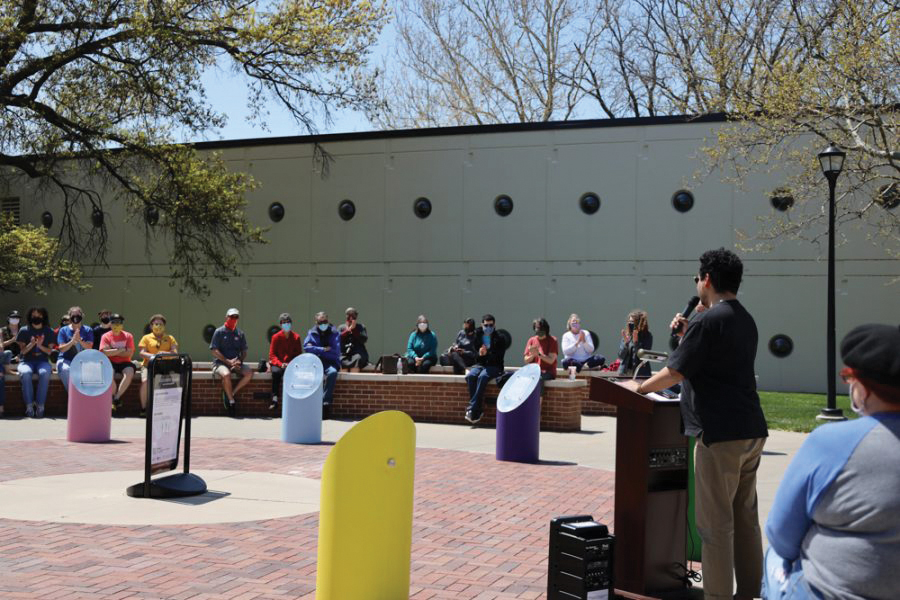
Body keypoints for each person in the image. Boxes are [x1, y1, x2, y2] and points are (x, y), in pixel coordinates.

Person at [622, 248, 768, 600]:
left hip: (719, 434)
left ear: (707, 279)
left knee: (715, 528)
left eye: (697, 279)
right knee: (745, 522)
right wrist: (691, 331)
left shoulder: (707, 321)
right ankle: (749, 593)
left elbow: (675, 371)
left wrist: (638, 387)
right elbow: (714, 359)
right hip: (751, 430)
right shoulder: (744, 319)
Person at [762, 323, 900, 600]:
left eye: (848, 378)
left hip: (831, 591)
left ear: (863, 385)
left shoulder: (833, 442)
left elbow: (782, 535)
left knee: (774, 555)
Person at [464, 314, 508, 424]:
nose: (488, 327)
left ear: (494, 325)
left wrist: (486, 353)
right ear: (482, 325)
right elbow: (474, 354)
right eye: (486, 325)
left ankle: (472, 408)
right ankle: (477, 410)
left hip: (495, 366)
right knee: (471, 376)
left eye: (491, 325)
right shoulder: (477, 335)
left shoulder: (500, 338)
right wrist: (480, 354)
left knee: (483, 377)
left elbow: (499, 356)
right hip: (480, 364)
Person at [210, 307, 253, 417]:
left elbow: (244, 351)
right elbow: (214, 351)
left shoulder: (240, 333)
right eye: (231, 316)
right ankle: (231, 402)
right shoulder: (219, 332)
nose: (233, 319)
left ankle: (231, 393)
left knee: (249, 373)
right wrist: (227, 361)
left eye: (236, 317)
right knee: (226, 374)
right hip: (220, 363)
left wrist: (239, 361)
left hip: (236, 363)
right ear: (226, 317)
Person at [15, 307, 55, 418]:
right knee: (26, 373)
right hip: (26, 361)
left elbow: (49, 351)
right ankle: (29, 406)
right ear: (30, 317)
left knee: (45, 373)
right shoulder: (24, 330)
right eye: (34, 315)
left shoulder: (49, 331)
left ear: (43, 317)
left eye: (39, 315)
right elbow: (22, 351)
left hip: (42, 361)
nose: (36, 317)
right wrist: (31, 344)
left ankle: (40, 405)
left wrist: (39, 346)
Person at [137, 314, 179, 417]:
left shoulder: (170, 338)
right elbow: (142, 353)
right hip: (149, 365)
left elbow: (175, 353)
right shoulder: (146, 338)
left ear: (164, 326)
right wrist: (154, 356)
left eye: (161, 324)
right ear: (151, 326)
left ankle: (166, 409)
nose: (158, 326)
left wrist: (164, 354)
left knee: (170, 382)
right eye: (156, 324)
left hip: (166, 366)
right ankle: (143, 408)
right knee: (145, 381)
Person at [303, 311, 340, 411]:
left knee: (333, 373)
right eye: (320, 322)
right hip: (315, 361)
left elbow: (335, 352)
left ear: (328, 321)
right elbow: (307, 347)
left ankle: (325, 401)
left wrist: (316, 349)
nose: (323, 324)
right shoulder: (312, 332)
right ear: (316, 322)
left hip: (330, 362)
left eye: (325, 321)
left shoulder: (334, 333)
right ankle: (309, 403)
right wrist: (323, 349)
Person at [99, 313, 136, 411]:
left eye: (119, 323)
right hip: (110, 362)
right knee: (108, 374)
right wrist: (121, 350)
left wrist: (113, 351)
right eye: (114, 322)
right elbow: (105, 353)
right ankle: (114, 399)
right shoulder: (105, 336)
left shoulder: (128, 336)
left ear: (122, 324)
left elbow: (129, 353)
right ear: (110, 324)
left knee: (129, 373)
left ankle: (116, 398)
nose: (116, 325)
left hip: (125, 362)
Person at [55, 306, 94, 394]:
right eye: (73, 314)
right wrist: (72, 341)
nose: (76, 316)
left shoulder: (88, 330)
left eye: (78, 314)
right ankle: (74, 396)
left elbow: (89, 347)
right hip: (65, 359)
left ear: (82, 315)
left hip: (82, 361)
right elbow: (62, 349)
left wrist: (80, 340)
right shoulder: (63, 330)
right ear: (69, 316)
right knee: (65, 370)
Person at [268, 312, 303, 410]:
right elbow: (272, 355)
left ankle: (293, 400)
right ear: (280, 324)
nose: (286, 324)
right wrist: (280, 364)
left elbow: (298, 354)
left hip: (291, 364)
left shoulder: (296, 337)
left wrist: (290, 364)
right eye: (284, 322)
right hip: (278, 364)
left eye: (288, 322)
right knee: (276, 372)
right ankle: (274, 399)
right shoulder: (275, 337)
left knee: (294, 375)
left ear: (291, 324)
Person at [617, 309, 653, 377]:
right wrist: (626, 343)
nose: (631, 324)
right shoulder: (627, 335)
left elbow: (643, 356)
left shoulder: (647, 336)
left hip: (640, 373)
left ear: (639, 323)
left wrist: (636, 342)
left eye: (633, 322)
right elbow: (621, 356)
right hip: (625, 373)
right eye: (629, 321)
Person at [1, 310, 22, 417]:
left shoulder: (22, 330)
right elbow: (1, 345)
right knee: (8, 353)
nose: (15, 320)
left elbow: (26, 344)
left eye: (17, 317)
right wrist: (12, 340)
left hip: (19, 357)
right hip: (6, 356)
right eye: (13, 317)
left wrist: (20, 355)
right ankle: (8, 369)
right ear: (9, 319)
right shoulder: (3, 330)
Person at [338, 307, 369, 372]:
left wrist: (354, 330)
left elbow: (364, 339)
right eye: (349, 315)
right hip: (344, 353)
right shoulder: (341, 327)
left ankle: (353, 381)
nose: (351, 317)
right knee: (341, 361)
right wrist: (348, 330)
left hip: (358, 353)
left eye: (353, 315)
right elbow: (337, 338)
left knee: (358, 359)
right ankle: (345, 381)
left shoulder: (361, 327)